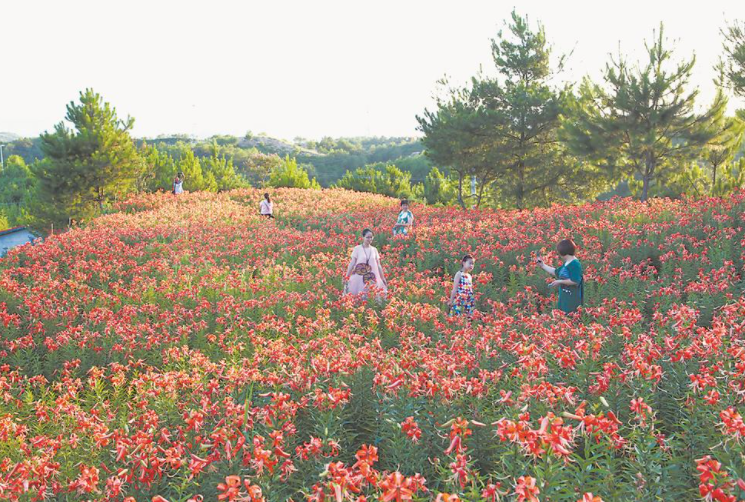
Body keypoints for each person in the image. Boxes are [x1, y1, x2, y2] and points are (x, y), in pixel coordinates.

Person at [536, 239, 584, 314]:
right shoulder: (568, 262)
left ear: (563, 252)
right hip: (565, 297)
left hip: (572, 299)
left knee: (570, 318)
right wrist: (543, 265)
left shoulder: (575, 264)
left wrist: (560, 281)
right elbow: (556, 272)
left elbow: (575, 280)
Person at [344, 229, 388, 297]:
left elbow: (378, 265)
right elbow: (352, 263)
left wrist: (382, 278)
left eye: (371, 237)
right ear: (363, 237)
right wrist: (347, 276)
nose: (369, 239)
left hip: (371, 277)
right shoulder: (357, 249)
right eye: (367, 237)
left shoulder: (374, 250)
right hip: (359, 278)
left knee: (372, 295)